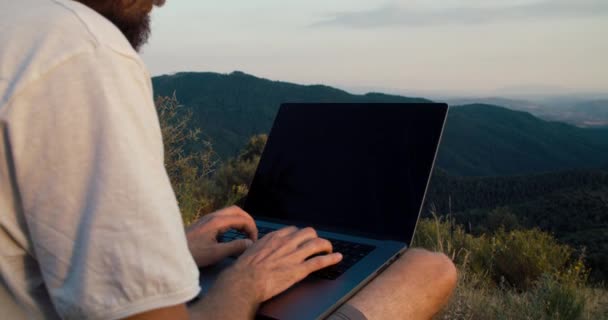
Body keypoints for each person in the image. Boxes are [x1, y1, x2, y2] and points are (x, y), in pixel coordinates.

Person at [0, 0, 457, 319]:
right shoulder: (80, 46)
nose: (159, 2)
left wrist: (172, 253)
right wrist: (247, 281)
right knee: (429, 268)